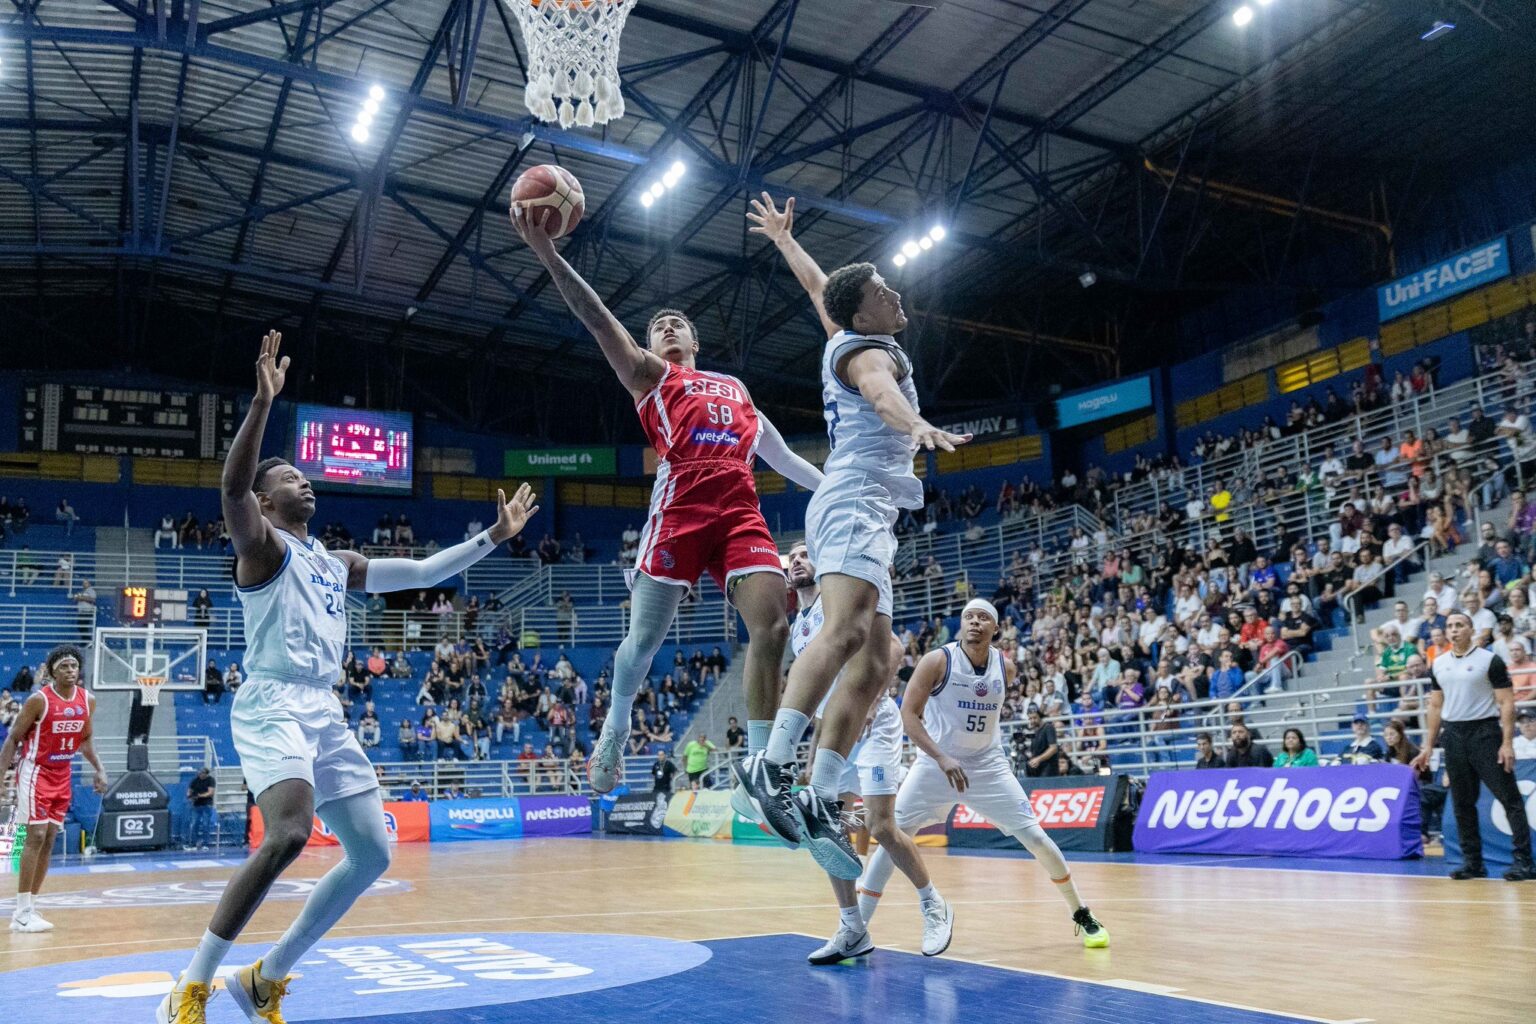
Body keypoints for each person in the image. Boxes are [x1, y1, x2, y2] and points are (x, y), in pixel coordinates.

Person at [157, 331, 542, 1024]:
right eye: (287, 479)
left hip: (321, 708)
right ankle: (191, 986)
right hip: (272, 700)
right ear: (268, 503)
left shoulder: (337, 562)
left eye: (302, 477)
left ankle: (264, 980)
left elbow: (424, 574)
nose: (302, 481)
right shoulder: (261, 547)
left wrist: (494, 537)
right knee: (288, 833)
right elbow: (231, 485)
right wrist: (261, 404)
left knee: (372, 853)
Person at [510, 199, 823, 801]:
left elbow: (784, 460)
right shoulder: (653, 377)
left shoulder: (734, 387)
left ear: (696, 339)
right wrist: (548, 254)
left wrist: (851, 487)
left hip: (740, 513)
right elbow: (600, 319)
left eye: (678, 322)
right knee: (643, 643)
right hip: (679, 511)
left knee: (774, 624)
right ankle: (617, 721)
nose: (669, 326)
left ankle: (764, 767)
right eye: (658, 326)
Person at [737, 194, 970, 881]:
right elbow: (881, 396)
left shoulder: (845, 330)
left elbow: (818, 286)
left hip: (872, 513)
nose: (896, 294)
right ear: (863, 312)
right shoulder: (871, 355)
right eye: (882, 291)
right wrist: (914, 426)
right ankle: (772, 765)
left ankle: (815, 790)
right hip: (855, 501)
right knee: (842, 633)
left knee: (879, 660)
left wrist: (784, 239)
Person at [858, 600, 1109, 952]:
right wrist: (943, 757)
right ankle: (855, 927)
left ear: (995, 629)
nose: (974, 622)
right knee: (890, 839)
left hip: (988, 766)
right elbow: (909, 716)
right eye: (968, 617)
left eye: (983, 618)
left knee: (1037, 838)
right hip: (935, 765)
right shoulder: (937, 660)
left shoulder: (1005, 668)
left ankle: (1081, 912)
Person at [783, 543, 927, 966]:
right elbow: (818, 702)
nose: (795, 560)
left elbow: (895, 649)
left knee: (882, 826)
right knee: (824, 824)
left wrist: (868, 699)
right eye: (790, 556)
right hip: (834, 733)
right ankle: (853, 927)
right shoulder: (798, 628)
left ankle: (931, 902)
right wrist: (811, 760)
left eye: (805, 553)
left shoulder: (837, 599)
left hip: (874, 724)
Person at [1412, 611, 1535, 880]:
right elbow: (1434, 705)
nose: (1454, 630)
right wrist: (1428, 746)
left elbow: (1506, 702)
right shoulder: (1439, 663)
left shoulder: (1489, 660)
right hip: (1453, 734)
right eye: (1450, 626)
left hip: (1485, 732)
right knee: (1461, 802)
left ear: (1471, 629)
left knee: (1510, 799)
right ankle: (1473, 862)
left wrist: (1506, 742)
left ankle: (1525, 862)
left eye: (1460, 625)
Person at [0, 645, 109, 933]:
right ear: (51, 672)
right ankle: (21, 911)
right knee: (35, 834)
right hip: (35, 771)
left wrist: (99, 769)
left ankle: (30, 907)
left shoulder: (88, 700)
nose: (71, 671)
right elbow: (12, 739)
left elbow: (85, 740)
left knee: (49, 839)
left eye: (74, 666)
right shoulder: (39, 701)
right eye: (64, 667)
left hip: (63, 773)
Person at [186, 767, 218, 850]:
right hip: (196, 805)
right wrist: (190, 796)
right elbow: (189, 791)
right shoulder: (195, 780)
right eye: (199, 773)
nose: (200, 774)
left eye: (202, 773)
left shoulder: (210, 780)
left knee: (205, 824)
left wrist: (199, 796)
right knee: (194, 824)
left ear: (206, 774)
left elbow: (210, 793)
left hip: (206, 805)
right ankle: (194, 843)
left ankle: (205, 844)